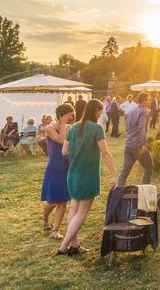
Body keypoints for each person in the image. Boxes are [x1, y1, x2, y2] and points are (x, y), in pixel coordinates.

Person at [57, 99, 118, 256]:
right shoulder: (97, 128)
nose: (101, 113)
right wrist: (114, 174)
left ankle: (75, 245)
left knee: (74, 209)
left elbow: (64, 151)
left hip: (72, 174)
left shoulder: (74, 127)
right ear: (96, 111)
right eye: (101, 111)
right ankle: (64, 247)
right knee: (82, 211)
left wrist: (77, 151)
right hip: (87, 175)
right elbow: (105, 152)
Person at [41, 104, 74, 240]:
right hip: (55, 167)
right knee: (53, 200)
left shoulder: (69, 128)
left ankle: (55, 230)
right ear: (61, 115)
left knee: (63, 200)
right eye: (69, 114)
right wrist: (63, 123)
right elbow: (60, 140)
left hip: (67, 166)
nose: (71, 117)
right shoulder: (49, 128)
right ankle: (45, 219)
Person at [117, 92, 153, 187]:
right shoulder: (144, 112)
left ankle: (117, 194)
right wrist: (143, 145)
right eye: (149, 99)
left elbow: (127, 127)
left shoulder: (132, 111)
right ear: (144, 101)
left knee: (124, 172)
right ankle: (144, 193)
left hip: (128, 144)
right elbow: (141, 128)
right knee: (149, 167)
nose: (151, 101)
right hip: (138, 146)